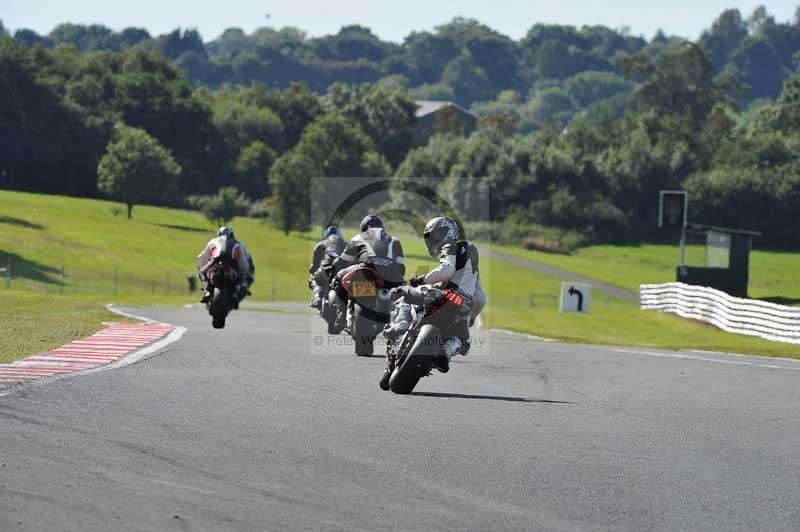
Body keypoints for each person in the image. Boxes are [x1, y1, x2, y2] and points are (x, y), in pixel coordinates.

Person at [391, 216, 485, 373]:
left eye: (436, 235)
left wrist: (421, 279)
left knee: (405, 292)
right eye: (431, 237)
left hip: (447, 295)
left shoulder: (450, 246)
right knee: (463, 342)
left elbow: (446, 270)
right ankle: (445, 353)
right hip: (465, 303)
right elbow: (480, 297)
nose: (433, 240)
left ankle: (401, 322)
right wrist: (471, 315)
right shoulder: (470, 252)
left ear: (449, 233)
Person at [330, 214, 405, 331]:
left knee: (339, 278)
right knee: (402, 296)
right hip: (389, 276)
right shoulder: (394, 240)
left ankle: (341, 317)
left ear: (364, 227)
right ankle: (397, 321)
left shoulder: (357, 238)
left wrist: (332, 277)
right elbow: (401, 267)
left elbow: (341, 261)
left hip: (365, 270)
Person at [196, 226, 254, 307]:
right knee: (241, 279)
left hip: (215, 261)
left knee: (201, 273)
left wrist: (201, 268)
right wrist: (244, 272)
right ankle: (235, 294)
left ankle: (207, 292)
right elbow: (243, 261)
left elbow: (202, 257)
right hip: (232, 264)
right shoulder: (238, 243)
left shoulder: (213, 241)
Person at [309, 225, 346, 309]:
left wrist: (312, 270)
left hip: (325, 269)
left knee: (314, 278)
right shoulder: (345, 244)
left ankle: (317, 297)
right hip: (342, 271)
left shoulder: (320, 244)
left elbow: (314, 266)